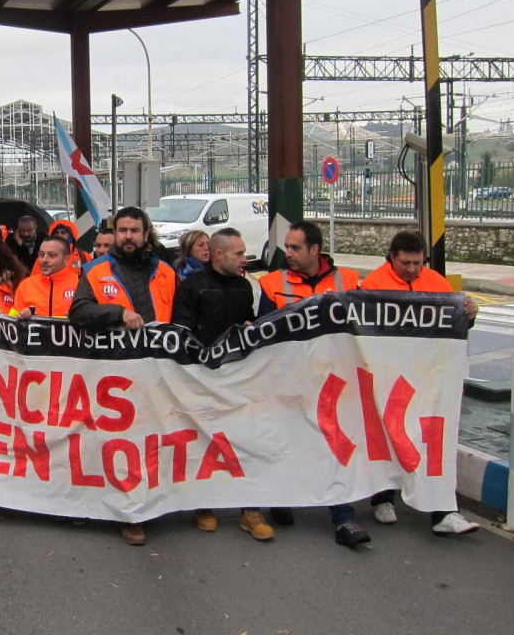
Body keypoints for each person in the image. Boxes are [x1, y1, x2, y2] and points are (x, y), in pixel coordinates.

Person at [69, 207, 178, 546]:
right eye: (123, 230)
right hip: (114, 374)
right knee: (122, 446)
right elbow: (79, 312)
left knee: (153, 440)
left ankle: (152, 501)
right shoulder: (95, 270)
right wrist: (118, 313)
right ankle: (131, 514)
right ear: (114, 234)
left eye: (135, 230)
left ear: (147, 235)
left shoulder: (167, 272)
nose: (128, 236)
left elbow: (181, 316)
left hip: (159, 371)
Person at [360, 229, 480, 536]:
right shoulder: (373, 284)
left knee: (431, 441)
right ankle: (383, 497)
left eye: (418, 263)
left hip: (425, 379)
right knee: (388, 437)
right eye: (406, 263)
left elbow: (455, 327)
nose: (413, 269)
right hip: (388, 377)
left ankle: (444, 512)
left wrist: (469, 314)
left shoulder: (436, 283)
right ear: (392, 257)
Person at [257, 221, 368, 546]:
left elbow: (366, 324)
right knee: (284, 442)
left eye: (294, 248)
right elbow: (265, 328)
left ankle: (344, 519)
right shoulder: (272, 282)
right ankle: (281, 499)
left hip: (331, 381)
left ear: (315, 250)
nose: (287, 253)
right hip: (288, 379)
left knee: (335, 446)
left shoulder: (347, 281)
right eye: (287, 247)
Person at [172, 227, 278, 543]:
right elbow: (181, 333)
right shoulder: (191, 287)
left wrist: (252, 328)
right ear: (219, 255)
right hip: (203, 378)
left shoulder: (248, 287)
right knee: (204, 442)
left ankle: (250, 510)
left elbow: (260, 324)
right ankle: (204, 504)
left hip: (242, 379)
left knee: (245, 441)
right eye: (239, 253)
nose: (245, 258)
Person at [11, 235, 78, 319]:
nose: (44, 260)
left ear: (66, 260)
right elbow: (12, 321)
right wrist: (20, 316)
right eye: (42, 255)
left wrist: (79, 319)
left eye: (52, 255)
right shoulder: (25, 285)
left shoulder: (80, 284)